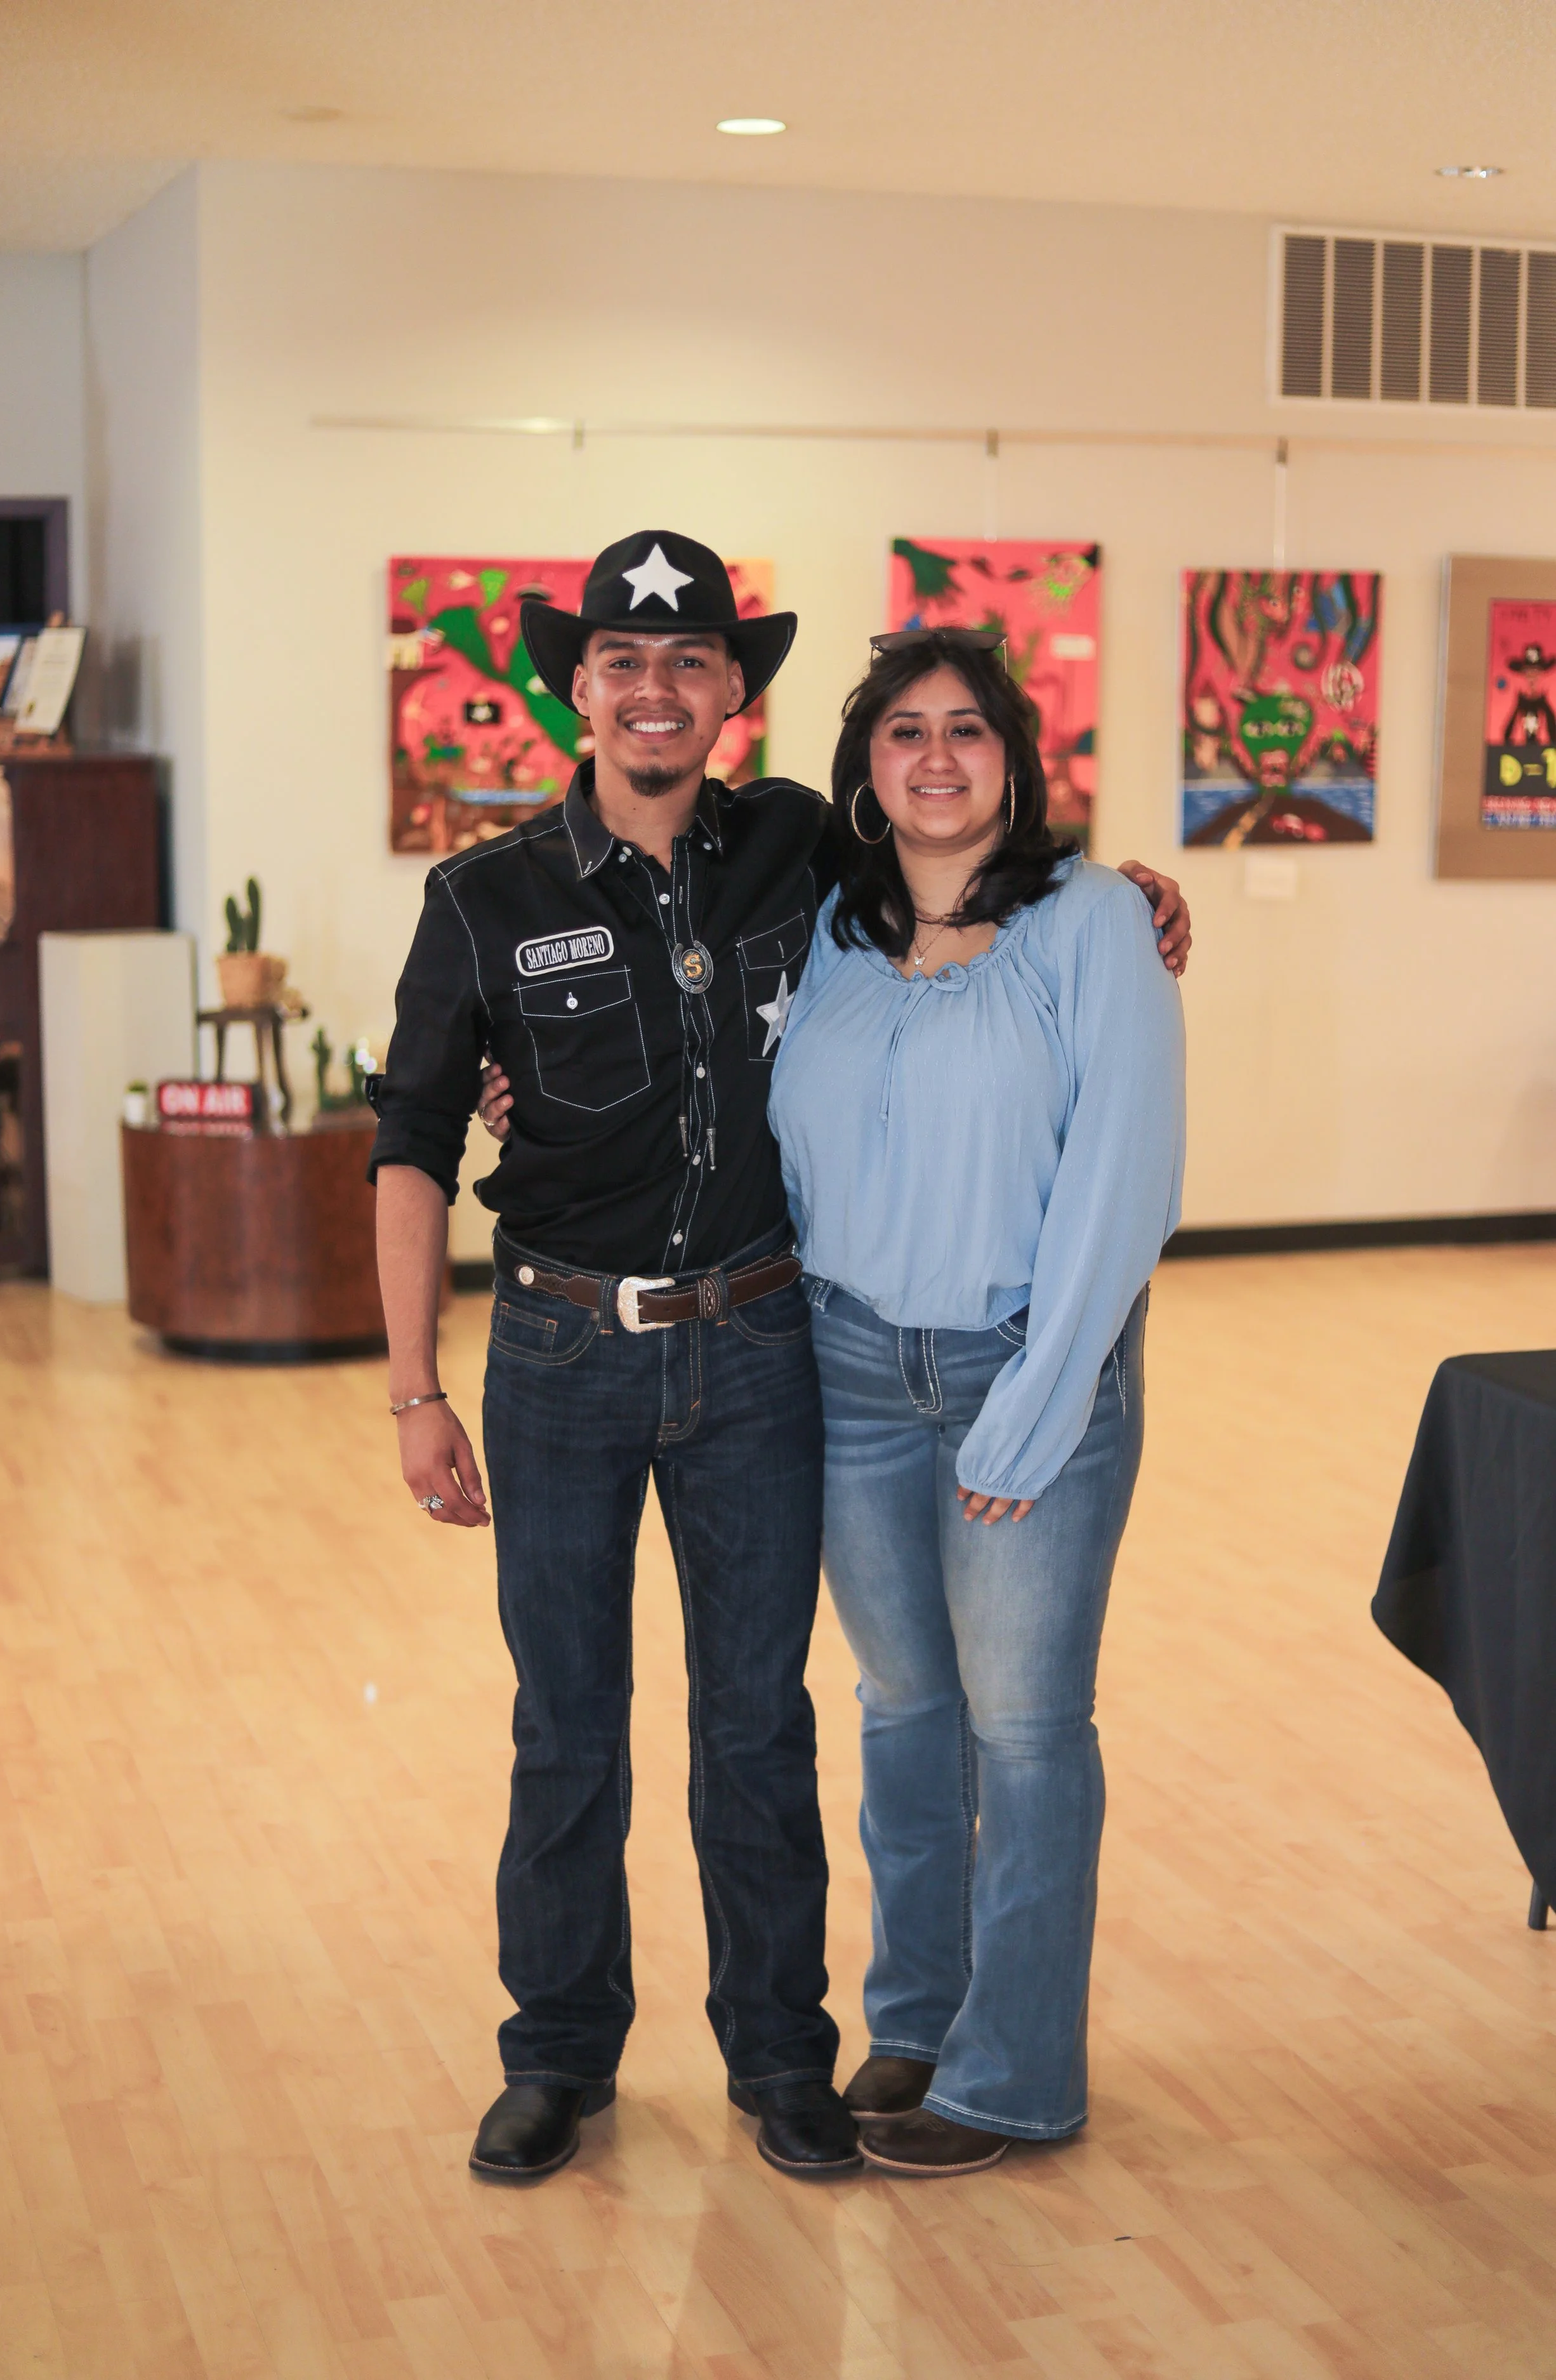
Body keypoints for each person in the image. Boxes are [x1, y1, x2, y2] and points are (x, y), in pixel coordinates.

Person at [381, 531, 1189, 2186]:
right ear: (577, 683)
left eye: (689, 660)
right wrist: (413, 1386)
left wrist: (1139, 899)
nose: (655, 687)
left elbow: (1005, 908)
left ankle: (806, 2057)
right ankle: (582, 2051)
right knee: (600, 1718)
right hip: (615, 1349)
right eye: (622, 659)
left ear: (730, 692)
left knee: (788, 1720)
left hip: (788, 1345)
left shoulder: (817, 856)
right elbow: (415, 1136)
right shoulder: (515, 896)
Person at [765, 626, 1185, 2175]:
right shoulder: (827, 928)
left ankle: (1014, 2077)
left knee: (1021, 1730)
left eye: (964, 729)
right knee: (901, 1715)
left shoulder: (1094, 925)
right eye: (902, 731)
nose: (933, 756)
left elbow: (1125, 1176)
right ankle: (917, 2022)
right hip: (847, 1366)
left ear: (1013, 758)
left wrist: (1042, 1397)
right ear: (863, 768)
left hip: (1024, 1363)